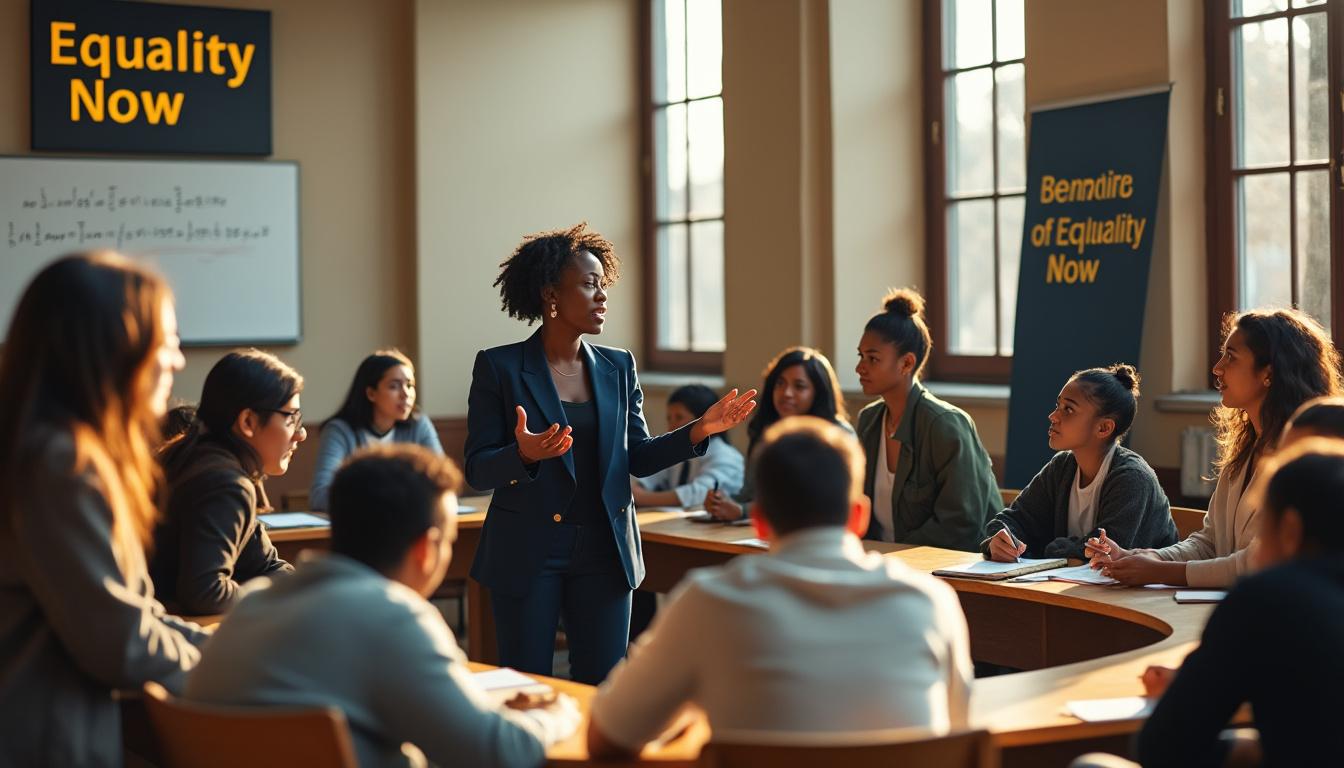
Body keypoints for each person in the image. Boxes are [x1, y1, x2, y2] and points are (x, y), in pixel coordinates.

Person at [465, 223, 755, 684]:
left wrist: (699, 429)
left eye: (604, 284)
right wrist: (521, 455)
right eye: (588, 283)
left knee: (604, 685)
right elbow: (478, 469)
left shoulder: (619, 367)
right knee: (527, 685)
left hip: (606, 550)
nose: (602, 295)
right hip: (528, 551)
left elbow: (637, 457)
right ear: (550, 295)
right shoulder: (499, 367)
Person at [587, 417, 972, 757]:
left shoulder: (709, 603)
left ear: (758, 521)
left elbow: (607, 738)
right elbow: (958, 728)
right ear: (860, 516)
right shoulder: (930, 602)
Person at [187, 444, 579, 768]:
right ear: (426, 549)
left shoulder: (253, 605)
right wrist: (561, 712)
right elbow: (498, 751)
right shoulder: (394, 618)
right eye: (448, 540)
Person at [0, 252, 208, 766]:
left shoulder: (44, 450)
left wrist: (220, 647)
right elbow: (120, 645)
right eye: (167, 343)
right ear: (114, 350)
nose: (177, 361)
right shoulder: (60, 462)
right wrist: (231, 665)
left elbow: (131, 614)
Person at [1073, 439, 1344, 768]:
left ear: (1290, 530)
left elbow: (1163, 747)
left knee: (1089, 764)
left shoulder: (1268, 598)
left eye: (1264, 528)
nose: (1254, 551)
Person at [1089, 308, 1342, 587]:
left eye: (1231, 357)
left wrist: (1159, 572)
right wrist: (1147, 558)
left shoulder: (1306, 456)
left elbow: (1257, 561)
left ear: (1268, 374)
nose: (1217, 367)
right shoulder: (1245, 449)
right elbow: (1209, 542)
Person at [150, 349, 306, 614]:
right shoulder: (226, 483)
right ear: (248, 421)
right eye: (290, 417)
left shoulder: (204, 459)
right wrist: (272, 594)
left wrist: (293, 587)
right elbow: (205, 593)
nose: (301, 434)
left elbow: (266, 566)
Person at [854, 288, 1000, 551]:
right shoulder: (869, 420)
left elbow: (961, 525)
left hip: (949, 570)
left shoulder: (945, 424)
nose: (860, 367)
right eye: (860, 356)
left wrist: (892, 555)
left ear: (907, 363)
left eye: (872, 358)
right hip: (884, 564)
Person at [982, 364, 1177, 561]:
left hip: (1140, 591)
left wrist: (1051, 548)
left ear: (1103, 428)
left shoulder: (1132, 478)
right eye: (1057, 405)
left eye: (1068, 409)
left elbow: (1106, 551)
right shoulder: (1061, 467)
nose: (1053, 416)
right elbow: (1011, 520)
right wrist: (999, 541)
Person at [703, 347, 850, 522]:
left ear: (818, 393)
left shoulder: (837, 436)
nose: (786, 393)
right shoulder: (767, 430)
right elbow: (749, 494)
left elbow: (815, 503)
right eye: (780, 383)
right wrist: (721, 503)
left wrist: (742, 511)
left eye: (799, 386)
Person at [309, 349, 444, 510]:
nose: (406, 394)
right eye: (394, 386)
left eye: (409, 385)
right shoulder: (340, 431)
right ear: (371, 393)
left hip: (408, 527)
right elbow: (320, 496)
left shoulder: (418, 424)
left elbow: (442, 481)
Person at [632, 384, 745, 508]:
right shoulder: (674, 449)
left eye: (679, 417)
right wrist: (639, 488)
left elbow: (700, 493)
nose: (671, 426)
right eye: (669, 419)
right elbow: (651, 474)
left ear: (702, 419)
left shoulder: (726, 456)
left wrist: (643, 498)